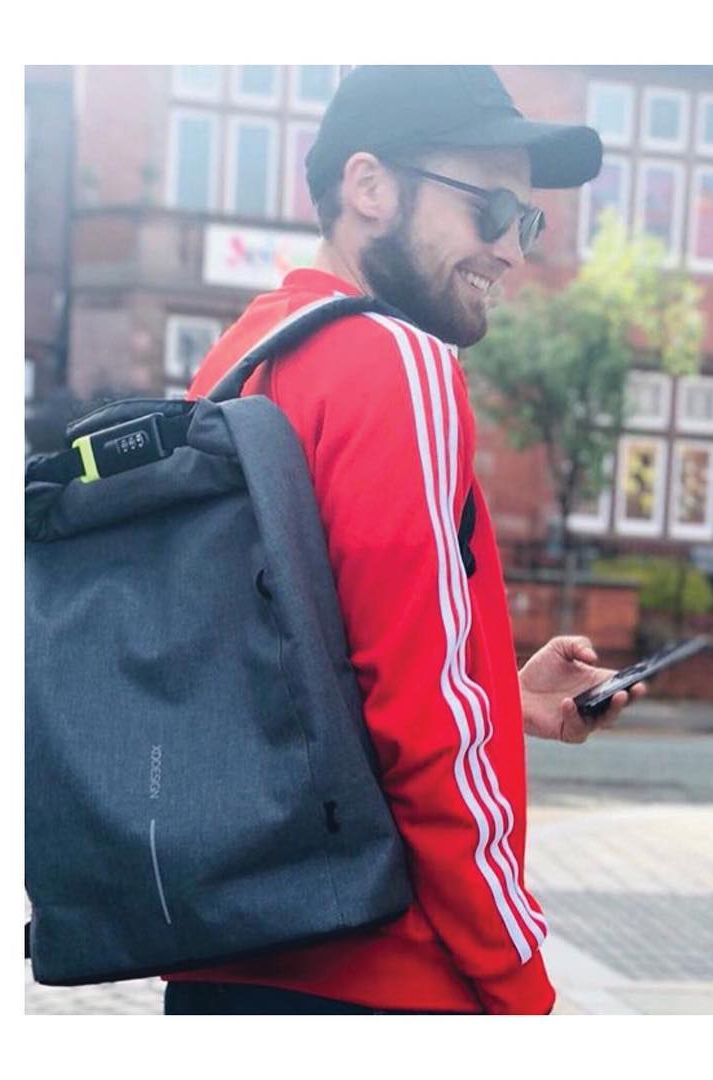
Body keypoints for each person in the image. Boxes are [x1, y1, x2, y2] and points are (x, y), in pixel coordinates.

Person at [163, 65, 646, 1016]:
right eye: (490, 208)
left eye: (527, 221)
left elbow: (283, 670)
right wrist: (520, 983)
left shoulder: (240, 357)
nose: (510, 249)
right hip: (388, 972)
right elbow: (425, 721)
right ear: (370, 187)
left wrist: (500, 697)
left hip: (230, 959)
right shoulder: (398, 360)